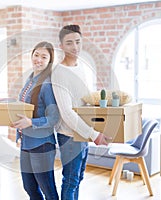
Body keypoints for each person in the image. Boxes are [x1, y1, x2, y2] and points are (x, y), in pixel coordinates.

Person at [52, 24, 110, 200]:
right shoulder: (59, 73)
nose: (75, 47)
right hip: (69, 136)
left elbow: (84, 101)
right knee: (70, 180)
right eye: (69, 43)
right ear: (61, 45)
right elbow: (67, 113)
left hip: (82, 134)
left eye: (78, 42)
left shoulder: (81, 67)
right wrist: (95, 135)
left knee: (78, 179)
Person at [12, 41, 59, 200]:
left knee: (48, 190)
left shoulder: (47, 85)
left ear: (49, 62)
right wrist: (19, 134)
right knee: (29, 187)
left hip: (42, 145)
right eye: (36, 55)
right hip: (26, 143)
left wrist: (31, 123)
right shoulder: (30, 80)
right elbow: (24, 110)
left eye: (44, 57)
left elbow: (54, 118)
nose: (38, 59)